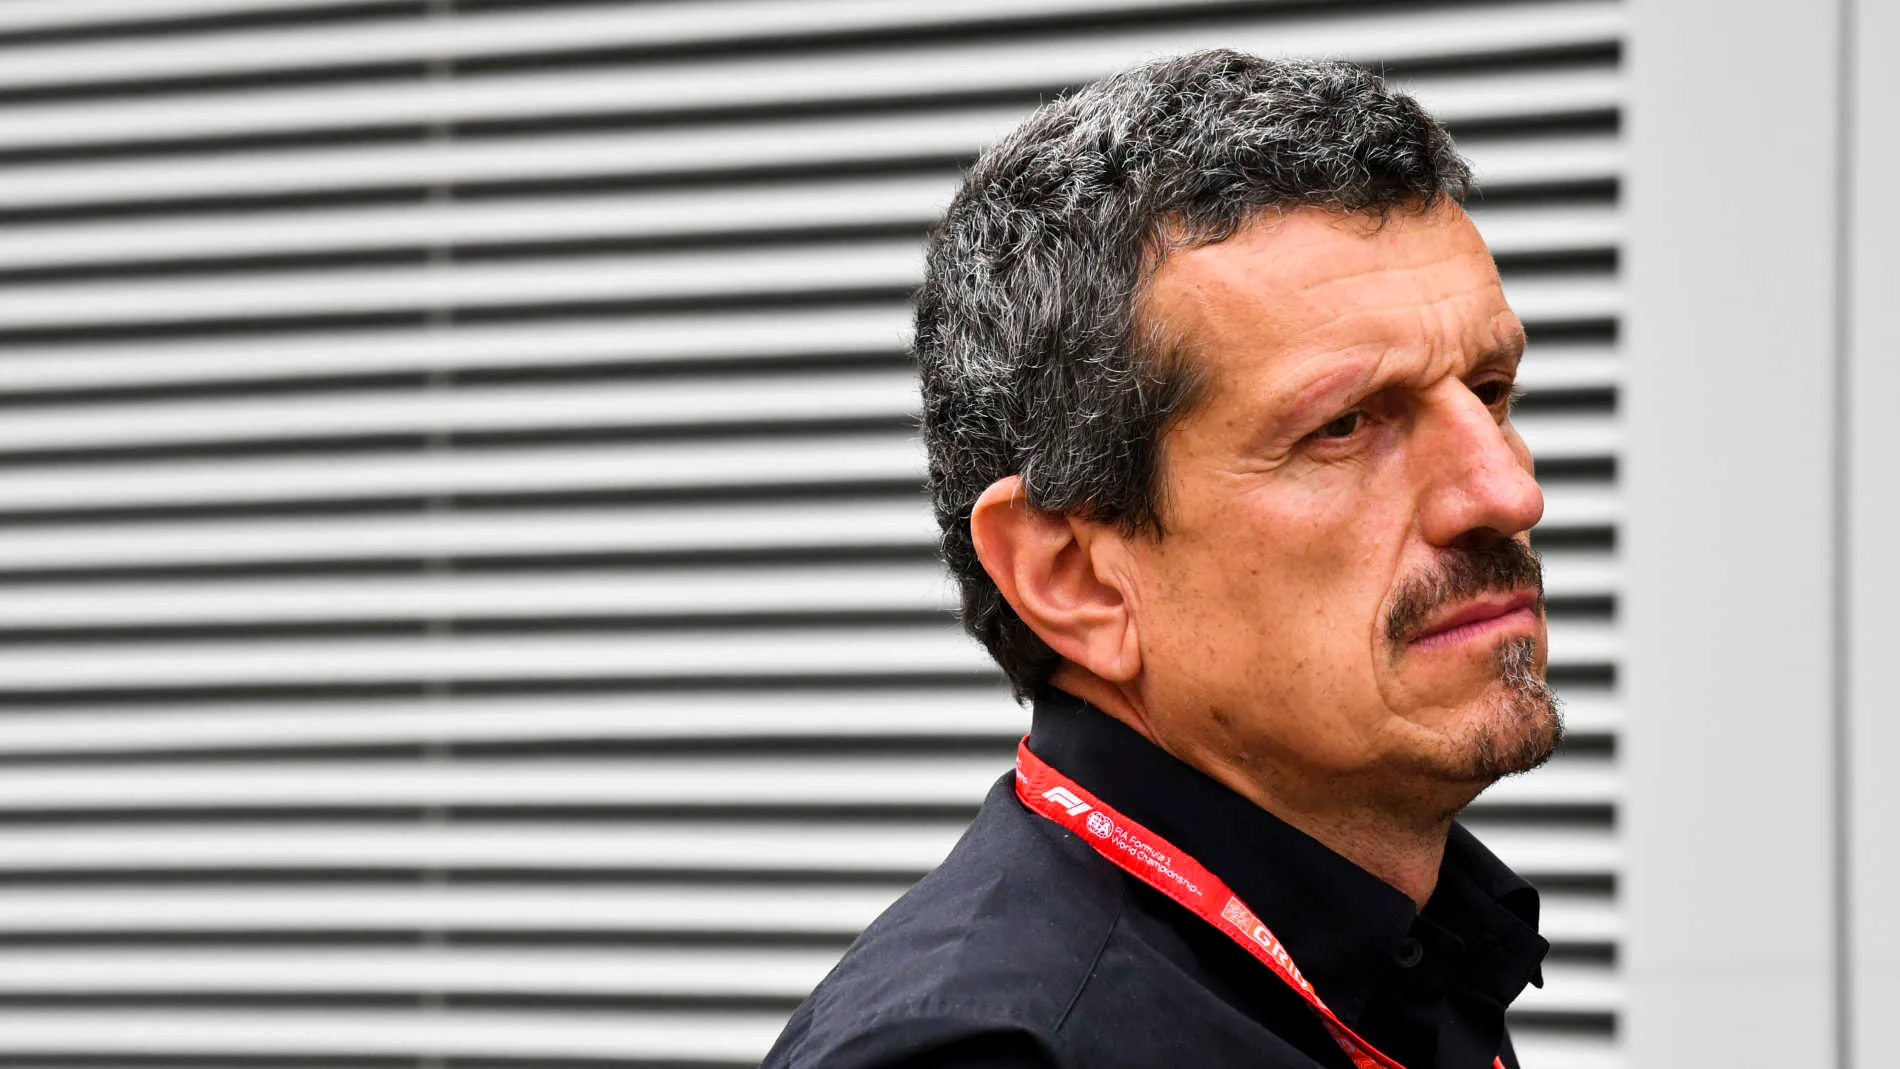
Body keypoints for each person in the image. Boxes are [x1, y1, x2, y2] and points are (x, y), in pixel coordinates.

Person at [763, 49, 1559, 1069]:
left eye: (1489, 391)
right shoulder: (987, 1053)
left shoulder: (1415, 957)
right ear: (1075, 579)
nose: (1504, 491)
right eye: (1345, 424)